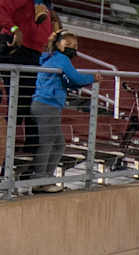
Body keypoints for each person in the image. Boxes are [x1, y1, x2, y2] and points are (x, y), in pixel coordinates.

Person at [30, 29, 95, 193]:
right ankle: (40, 180)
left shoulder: (54, 58)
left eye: (75, 45)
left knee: (58, 144)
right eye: (69, 44)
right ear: (59, 45)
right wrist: (93, 78)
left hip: (46, 105)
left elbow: (69, 82)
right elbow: (76, 78)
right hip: (47, 105)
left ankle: (47, 177)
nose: (73, 48)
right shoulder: (61, 58)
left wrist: (86, 81)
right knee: (48, 143)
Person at [0, 0, 55, 157]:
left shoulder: (47, 6)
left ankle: (31, 155)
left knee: (32, 106)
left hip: (33, 55)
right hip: (17, 49)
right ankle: (8, 156)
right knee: (19, 106)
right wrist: (14, 29)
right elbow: (1, 9)